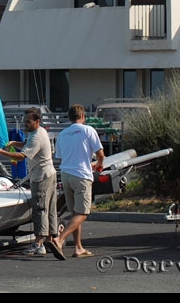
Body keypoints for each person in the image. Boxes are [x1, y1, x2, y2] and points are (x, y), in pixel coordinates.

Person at [0, 107, 63, 259]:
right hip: (49, 174)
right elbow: (27, 144)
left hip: (41, 177)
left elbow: (21, 156)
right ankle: (51, 240)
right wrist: (15, 142)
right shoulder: (39, 132)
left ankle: (38, 244)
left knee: (40, 209)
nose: (25, 124)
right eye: (25, 121)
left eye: (28, 122)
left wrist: (1, 152)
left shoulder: (37, 136)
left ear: (37, 122)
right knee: (50, 209)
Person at [50, 104, 105, 259]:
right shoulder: (88, 130)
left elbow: (60, 156)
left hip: (66, 174)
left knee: (75, 212)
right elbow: (100, 154)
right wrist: (99, 165)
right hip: (81, 175)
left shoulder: (62, 134)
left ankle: (78, 247)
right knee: (82, 213)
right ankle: (59, 239)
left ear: (69, 118)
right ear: (83, 116)